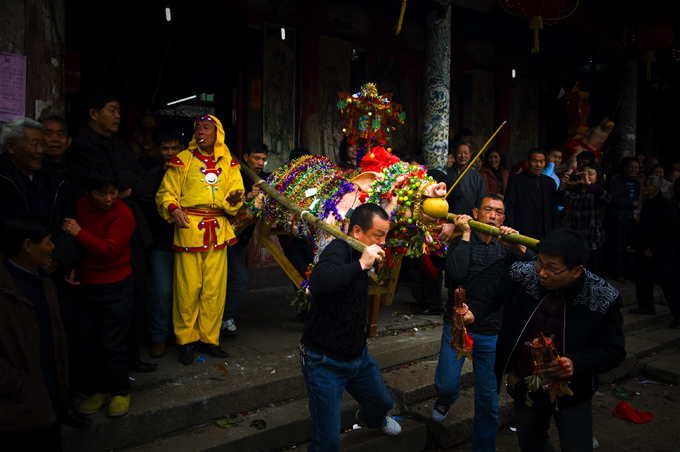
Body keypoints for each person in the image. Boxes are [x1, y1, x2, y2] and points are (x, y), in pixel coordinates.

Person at [464, 228, 626, 452]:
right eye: (540, 262)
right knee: (531, 444)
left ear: (577, 270)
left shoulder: (603, 297)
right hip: (526, 385)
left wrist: (576, 363)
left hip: (573, 392)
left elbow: (614, 350)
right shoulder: (522, 273)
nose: (542, 273)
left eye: (552, 269)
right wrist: (473, 313)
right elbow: (493, 294)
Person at [432, 195, 533, 452]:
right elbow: (454, 274)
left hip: (492, 330)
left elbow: (534, 270)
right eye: (487, 209)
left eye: (498, 212)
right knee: (445, 384)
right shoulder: (461, 239)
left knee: (488, 400)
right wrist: (464, 234)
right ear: (476, 212)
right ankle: (447, 399)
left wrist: (517, 246)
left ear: (503, 218)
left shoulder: (507, 245)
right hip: (457, 325)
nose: (492, 215)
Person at [66, 89, 157, 373]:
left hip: (132, 226)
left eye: (119, 110)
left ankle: (132, 357)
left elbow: (144, 181)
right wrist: (124, 184)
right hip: (99, 226)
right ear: (93, 114)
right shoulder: (82, 144)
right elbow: (106, 179)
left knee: (138, 292)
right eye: (111, 110)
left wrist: (127, 184)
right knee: (106, 303)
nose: (118, 116)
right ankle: (105, 367)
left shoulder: (121, 146)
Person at [300, 203, 401, 451]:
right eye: (379, 235)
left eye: (385, 235)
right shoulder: (338, 250)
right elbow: (319, 281)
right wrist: (361, 266)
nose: (384, 241)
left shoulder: (366, 250)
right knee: (328, 442)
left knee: (383, 402)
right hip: (324, 362)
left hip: (359, 357)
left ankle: (372, 418)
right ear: (357, 231)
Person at [156, 114, 244, 365]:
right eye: (197, 128)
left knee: (214, 289)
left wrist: (236, 199)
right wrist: (174, 209)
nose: (200, 131)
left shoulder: (229, 163)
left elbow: (233, 197)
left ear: (218, 133)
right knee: (187, 288)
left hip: (218, 231)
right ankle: (185, 341)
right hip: (189, 230)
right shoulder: (181, 161)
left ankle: (210, 339)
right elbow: (165, 193)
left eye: (206, 127)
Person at [62, 164, 136, 418]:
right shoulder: (79, 206)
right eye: (101, 193)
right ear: (87, 192)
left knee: (112, 342)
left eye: (113, 192)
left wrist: (78, 233)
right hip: (85, 284)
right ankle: (98, 390)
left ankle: (120, 391)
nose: (108, 199)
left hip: (116, 285)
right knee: (87, 341)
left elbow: (109, 251)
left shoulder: (123, 214)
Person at [0, 215, 70, 451]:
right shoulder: (6, 290)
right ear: (28, 246)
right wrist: (20, 386)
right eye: (48, 242)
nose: (53, 248)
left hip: (49, 399)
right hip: (18, 411)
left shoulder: (44, 282)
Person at [221, 143, 271, 338]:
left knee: (233, 277)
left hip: (241, 239)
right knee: (239, 276)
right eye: (256, 158)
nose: (260, 163)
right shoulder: (235, 175)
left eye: (263, 159)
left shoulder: (264, 180)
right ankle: (225, 318)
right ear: (245, 157)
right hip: (227, 234)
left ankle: (223, 318)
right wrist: (248, 196)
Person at [141, 129, 183, 358]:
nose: (169, 153)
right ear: (158, 151)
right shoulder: (152, 174)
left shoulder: (191, 173)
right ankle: (158, 336)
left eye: (174, 148)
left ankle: (180, 335)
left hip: (187, 241)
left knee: (184, 292)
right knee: (161, 291)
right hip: (160, 242)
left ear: (182, 149)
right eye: (165, 149)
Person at [629, 176, 680, 328]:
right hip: (645, 249)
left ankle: (677, 314)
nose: (644, 188)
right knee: (643, 278)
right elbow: (643, 228)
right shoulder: (648, 203)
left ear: (656, 188)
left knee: (667, 284)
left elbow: (668, 232)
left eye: (647, 186)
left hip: (662, 252)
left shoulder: (667, 205)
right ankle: (646, 306)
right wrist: (635, 244)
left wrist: (654, 248)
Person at [558, 163, 611, 276]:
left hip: (592, 238)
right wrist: (562, 186)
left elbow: (607, 199)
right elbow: (560, 202)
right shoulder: (573, 190)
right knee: (575, 269)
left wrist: (589, 185)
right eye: (584, 174)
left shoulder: (598, 192)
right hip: (575, 236)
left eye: (590, 174)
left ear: (597, 177)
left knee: (592, 271)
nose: (587, 176)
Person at [504, 149, 559, 240]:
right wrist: (512, 231)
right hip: (522, 232)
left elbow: (554, 211)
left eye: (542, 162)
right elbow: (509, 208)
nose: (538, 165)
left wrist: (555, 232)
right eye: (535, 161)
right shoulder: (516, 180)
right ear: (527, 163)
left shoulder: (549, 182)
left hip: (545, 233)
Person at [604, 157, 640, 282]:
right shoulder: (617, 182)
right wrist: (630, 203)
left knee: (631, 248)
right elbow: (613, 198)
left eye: (636, 167)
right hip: (619, 219)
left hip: (633, 220)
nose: (634, 169)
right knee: (618, 247)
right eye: (631, 167)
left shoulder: (638, 183)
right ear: (625, 168)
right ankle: (618, 272)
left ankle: (630, 272)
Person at [446, 142, 487, 216]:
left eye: (466, 153)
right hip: (447, 215)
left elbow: (481, 200)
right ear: (454, 154)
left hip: (469, 217)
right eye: (459, 153)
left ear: (470, 155)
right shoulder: (446, 173)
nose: (463, 156)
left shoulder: (476, 177)